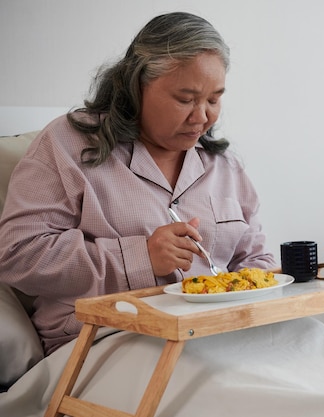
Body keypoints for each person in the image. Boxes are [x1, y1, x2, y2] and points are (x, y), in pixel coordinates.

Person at [0, 12, 277, 355]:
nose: (202, 117)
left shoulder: (224, 164)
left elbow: (256, 260)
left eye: (214, 99)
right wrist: (140, 258)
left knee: (322, 359)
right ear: (136, 85)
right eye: (185, 99)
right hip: (105, 340)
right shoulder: (68, 143)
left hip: (220, 334)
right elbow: (18, 254)